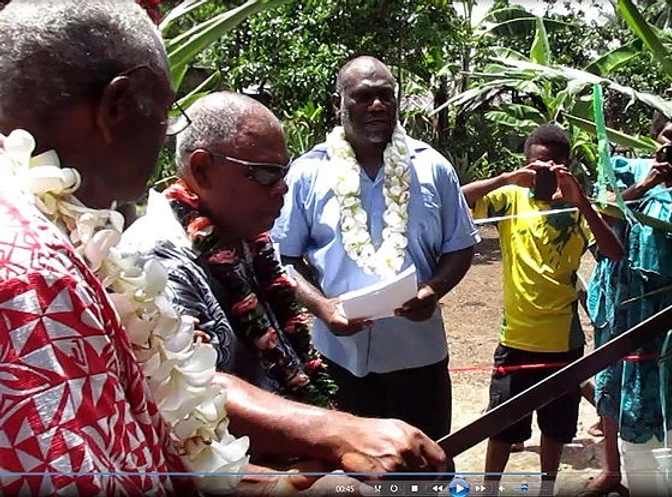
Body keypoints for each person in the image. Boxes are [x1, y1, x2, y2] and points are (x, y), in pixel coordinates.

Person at [0, 2, 446, 495]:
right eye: (168, 114)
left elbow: (150, 421)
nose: (282, 190)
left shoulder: (75, 239)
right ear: (117, 107)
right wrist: (328, 438)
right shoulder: (33, 272)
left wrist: (276, 478)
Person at [272, 55, 480, 456]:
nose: (378, 106)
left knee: (424, 467)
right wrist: (322, 307)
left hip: (418, 354)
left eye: (386, 95)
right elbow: (285, 256)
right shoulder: (307, 173)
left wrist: (433, 290)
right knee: (347, 472)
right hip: (337, 359)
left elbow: (461, 246)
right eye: (364, 97)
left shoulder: (432, 168)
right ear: (338, 105)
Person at [122, 92, 335, 409]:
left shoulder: (248, 235)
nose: (282, 187)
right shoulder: (158, 261)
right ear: (202, 169)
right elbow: (198, 401)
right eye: (264, 173)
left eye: (283, 172)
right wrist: (333, 434)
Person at [461, 123, 624, 493]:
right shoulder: (510, 198)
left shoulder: (578, 210)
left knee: (556, 427)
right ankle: (490, 490)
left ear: (565, 165)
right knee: (502, 426)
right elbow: (456, 199)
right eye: (535, 166)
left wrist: (580, 200)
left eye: (551, 166)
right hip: (515, 338)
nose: (543, 174)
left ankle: (546, 488)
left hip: (562, 343)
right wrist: (507, 178)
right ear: (525, 163)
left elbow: (613, 253)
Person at [586, 111, 672, 496]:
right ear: (654, 137)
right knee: (613, 381)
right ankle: (610, 470)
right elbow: (602, 210)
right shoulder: (627, 167)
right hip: (623, 299)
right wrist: (646, 183)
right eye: (667, 135)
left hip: (664, 302)